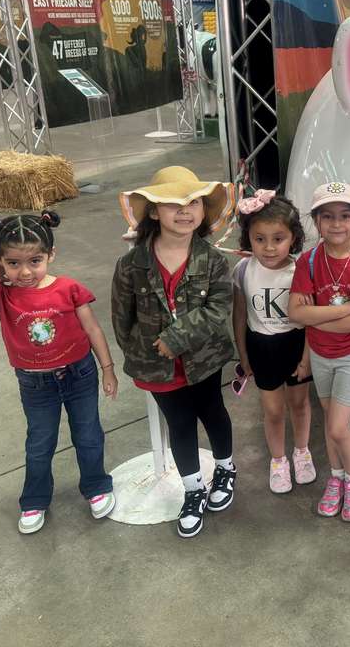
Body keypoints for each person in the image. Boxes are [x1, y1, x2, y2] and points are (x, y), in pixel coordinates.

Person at [0, 211, 117, 535]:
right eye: (13, 263)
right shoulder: (1, 295)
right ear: (2, 261)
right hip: (35, 383)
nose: (25, 271)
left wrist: (108, 369)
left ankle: (96, 485)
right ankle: (34, 500)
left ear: (51, 255)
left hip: (79, 374)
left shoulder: (69, 288)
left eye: (35, 260)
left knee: (88, 435)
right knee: (40, 442)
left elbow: (93, 329)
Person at [111, 166, 237, 539]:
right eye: (173, 204)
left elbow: (218, 309)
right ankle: (193, 489)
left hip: (205, 361)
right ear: (153, 212)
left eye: (193, 202)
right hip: (158, 367)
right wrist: (141, 352)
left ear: (202, 211)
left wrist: (177, 337)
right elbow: (122, 317)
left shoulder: (213, 261)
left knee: (213, 412)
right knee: (179, 424)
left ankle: (226, 468)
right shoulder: (132, 265)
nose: (185, 211)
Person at [288, 181, 350, 522]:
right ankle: (337, 476)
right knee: (331, 425)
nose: (336, 223)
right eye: (327, 216)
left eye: (345, 216)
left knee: (338, 428)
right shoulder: (309, 262)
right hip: (319, 355)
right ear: (316, 221)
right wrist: (342, 311)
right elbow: (295, 313)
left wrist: (315, 318)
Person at [231, 188, 316, 493]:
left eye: (278, 238)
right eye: (259, 239)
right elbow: (240, 315)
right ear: (248, 239)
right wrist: (243, 354)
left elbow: (310, 319)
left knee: (300, 403)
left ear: (293, 237)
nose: (269, 248)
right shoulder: (243, 270)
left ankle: (302, 452)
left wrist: (307, 357)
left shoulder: (302, 270)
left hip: (295, 344)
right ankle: (278, 461)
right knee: (273, 410)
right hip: (261, 347)